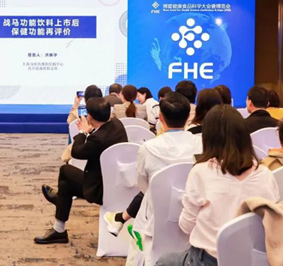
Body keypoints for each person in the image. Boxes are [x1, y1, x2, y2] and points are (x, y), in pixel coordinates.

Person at [156, 105, 279, 266]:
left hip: (209, 260)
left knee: (164, 261)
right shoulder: (266, 174)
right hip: (254, 259)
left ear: (208, 138)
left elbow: (186, 226)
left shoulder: (201, 172)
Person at [104, 92, 202, 238]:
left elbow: (142, 184)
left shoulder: (148, 148)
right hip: (195, 213)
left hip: (154, 216)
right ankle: (120, 219)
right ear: (188, 117)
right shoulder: (202, 145)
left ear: (160, 117)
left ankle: (120, 219)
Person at [35, 97, 127, 244]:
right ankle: (59, 229)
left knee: (65, 170)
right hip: (119, 183)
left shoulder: (97, 139)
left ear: (90, 116)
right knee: (65, 185)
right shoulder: (117, 124)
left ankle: (59, 203)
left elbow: (76, 152)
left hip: (101, 189)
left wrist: (83, 132)